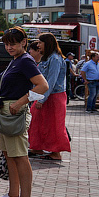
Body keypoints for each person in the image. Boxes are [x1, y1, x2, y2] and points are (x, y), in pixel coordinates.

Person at [0, 27, 48, 197]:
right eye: (6, 44)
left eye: (12, 43)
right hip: (7, 110)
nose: (9, 47)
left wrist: (21, 102)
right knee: (9, 154)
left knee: (20, 155)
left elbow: (43, 86)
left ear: (23, 42)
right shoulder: (17, 60)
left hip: (14, 111)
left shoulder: (25, 61)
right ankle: (13, 194)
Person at [28, 33, 70, 161]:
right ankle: (37, 147)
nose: (38, 45)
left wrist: (41, 98)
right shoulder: (47, 58)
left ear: (47, 43)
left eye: (40, 42)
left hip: (53, 96)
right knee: (36, 121)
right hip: (46, 95)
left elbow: (51, 82)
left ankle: (55, 152)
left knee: (54, 125)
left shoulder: (55, 59)